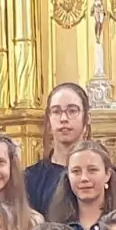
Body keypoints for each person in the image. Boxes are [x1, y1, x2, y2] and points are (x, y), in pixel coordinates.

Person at [26, 83, 91, 212]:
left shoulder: (101, 172)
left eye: (72, 111)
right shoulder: (31, 178)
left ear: (87, 117)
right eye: (56, 111)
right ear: (49, 118)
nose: (63, 119)